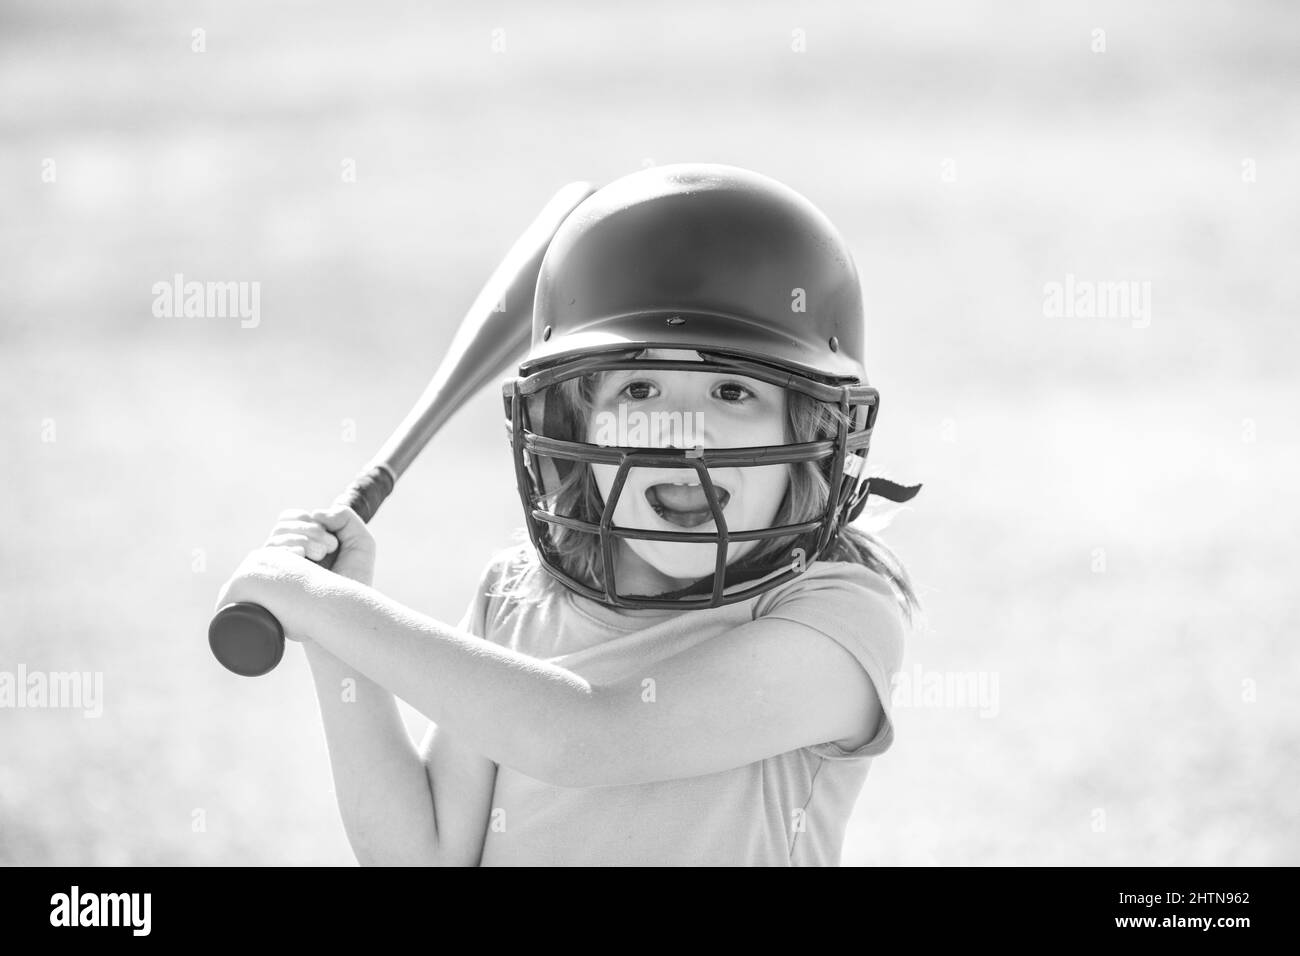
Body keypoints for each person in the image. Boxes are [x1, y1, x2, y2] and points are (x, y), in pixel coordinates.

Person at [217, 163, 923, 865]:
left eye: (734, 393)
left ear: (813, 434)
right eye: (639, 387)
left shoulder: (837, 618)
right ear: (574, 424)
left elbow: (587, 735)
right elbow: (422, 855)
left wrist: (315, 601)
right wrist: (339, 627)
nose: (681, 430)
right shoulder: (518, 599)